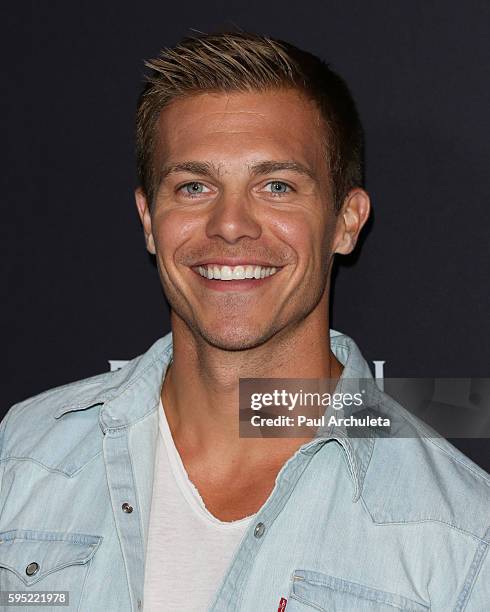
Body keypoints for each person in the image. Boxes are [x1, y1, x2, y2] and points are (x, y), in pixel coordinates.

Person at [0, 32, 488, 612]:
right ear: (149, 220)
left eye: (276, 186)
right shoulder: (21, 456)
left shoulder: (461, 538)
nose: (230, 224)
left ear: (346, 222)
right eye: (194, 186)